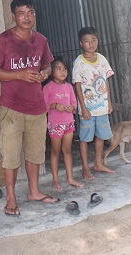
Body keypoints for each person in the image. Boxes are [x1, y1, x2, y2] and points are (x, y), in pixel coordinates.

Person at [0, 0, 59, 216]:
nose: (26, 17)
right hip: (12, 107)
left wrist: (45, 73)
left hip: (37, 108)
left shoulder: (41, 40)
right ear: (13, 16)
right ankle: (11, 198)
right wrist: (19, 74)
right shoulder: (3, 40)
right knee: (10, 156)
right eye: (21, 13)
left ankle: (34, 191)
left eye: (30, 12)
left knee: (35, 153)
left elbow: (47, 65)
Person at [72, 26, 115, 179]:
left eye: (93, 40)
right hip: (87, 109)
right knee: (85, 138)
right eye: (87, 41)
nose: (91, 44)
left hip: (102, 107)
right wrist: (83, 108)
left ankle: (98, 163)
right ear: (80, 43)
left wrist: (109, 102)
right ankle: (85, 167)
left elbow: (105, 82)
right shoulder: (79, 63)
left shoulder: (102, 59)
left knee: (101, 136)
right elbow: (77, 85)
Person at [43, 57, 84, 191]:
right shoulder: (48, 87)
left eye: (65, 69)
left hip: (68, 124)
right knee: (55, 151)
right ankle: (55, 180)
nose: (62, 72)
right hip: (55, 124)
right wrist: (55, 105)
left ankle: (70, 178)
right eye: (59, 69)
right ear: (51, 71)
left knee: (67, 151)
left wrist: (72, 108)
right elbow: (44, 106)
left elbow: (74, 103)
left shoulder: (69, 87)